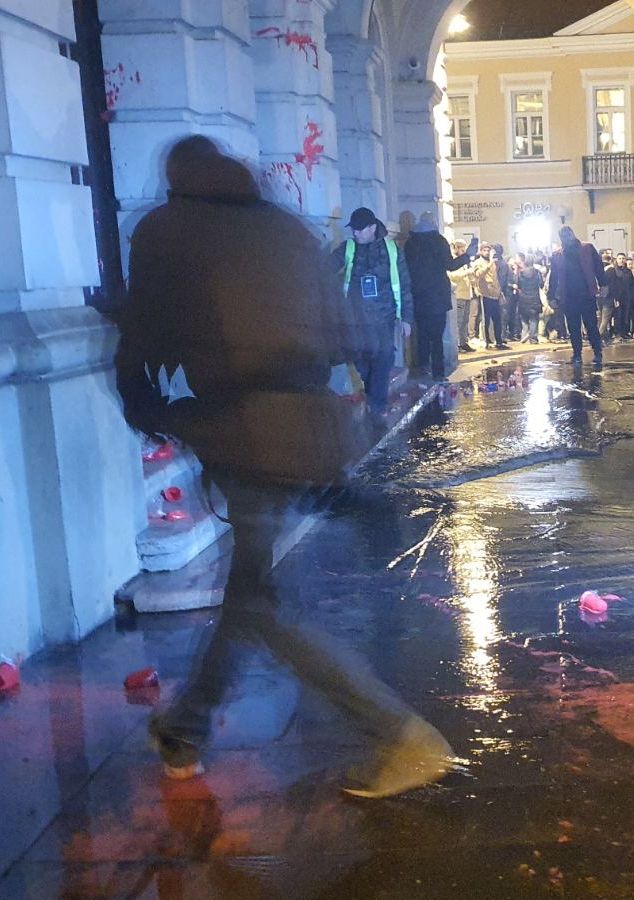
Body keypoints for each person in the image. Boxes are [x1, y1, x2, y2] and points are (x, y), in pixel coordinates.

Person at [116, 136, 453, 797]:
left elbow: (142, 335)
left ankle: (403, 738)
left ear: (175, 178)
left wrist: (151, 406)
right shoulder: (283, 227)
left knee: (260, 608)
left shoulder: (166, 229)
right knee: (249, 597)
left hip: (245, 432)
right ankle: (184, 730)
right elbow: (347, 326)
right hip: (313, 424)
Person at [331, 207, 414, 417]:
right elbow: (325, 269)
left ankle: (377, 406)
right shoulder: (348, 248)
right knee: (361, 358)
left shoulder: (391, 249)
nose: (355, 234)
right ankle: (372, 394)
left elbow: (404, 284)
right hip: (355, 317)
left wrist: (406, 318)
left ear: (371, 228)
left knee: (384, 355)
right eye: (354, 230)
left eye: (360, 230)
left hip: (383, 315)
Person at [404, 213, 477, 381]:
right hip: (437, 296)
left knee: (422, 334)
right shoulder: (439, 241)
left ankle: (423, 367)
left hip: (418, 296)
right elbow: (450, 266)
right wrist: (467, 256)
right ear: (434, 223)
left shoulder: (410, 243)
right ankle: (438, 373)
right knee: (436, 337)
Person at [550, 225, 604, 369]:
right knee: (573, 328)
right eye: (564, 236)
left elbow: (599, 267)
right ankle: (577, 354)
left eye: (568, 235)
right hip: (569, 297)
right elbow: (553, 278)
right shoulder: (557, 255)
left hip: (586, 295)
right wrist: (552, 296)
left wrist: (603, 284)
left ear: (573, 234)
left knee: (591, 326)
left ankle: (597, 352)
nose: (566, 238)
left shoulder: (587, 248)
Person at [470, 243, 509, 350]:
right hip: (485, 294)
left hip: (495, 294)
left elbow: (495, 278)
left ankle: (499, 341)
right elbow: (478, 274)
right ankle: (486, 341)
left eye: (488, 250)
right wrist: (488, 265)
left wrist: (500, 292)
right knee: (485, 320)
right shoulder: (478, 262)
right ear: (481, 251)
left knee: (497, 319)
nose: (487, 252)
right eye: (484, 250)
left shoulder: (493, 263)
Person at [449, 240, 477, 353]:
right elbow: (452, 276)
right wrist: (467, 273)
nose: (464, 251)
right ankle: (457, 344)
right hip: (459, 295)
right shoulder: (453, 262)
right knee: (459, 321)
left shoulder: (463, 263)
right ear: (456, 248)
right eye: (462, 248)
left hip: (466, 294)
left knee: (465, 321)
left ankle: (463, 342)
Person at [604, 253, 634, 339]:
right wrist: (615, 298)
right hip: (618, 297)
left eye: (623, 258)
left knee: (626, 315)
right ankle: (618, 332)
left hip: (627, 297)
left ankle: (625, 332)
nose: (621, 260)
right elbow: (613, 284)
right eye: (620, 258)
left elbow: (631, 284)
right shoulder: (614, 271)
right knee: (618, 315)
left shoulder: (628, 271)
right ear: (616, 260)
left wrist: (632, 296)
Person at [513, 253, 545, 343]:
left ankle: (524, 336)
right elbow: (541, 285)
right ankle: (533, 338)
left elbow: (518, 284)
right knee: (534, 319)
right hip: (534, 298)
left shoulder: (521, 273)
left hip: (523, 298)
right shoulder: (537, 272)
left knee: (524, 318)